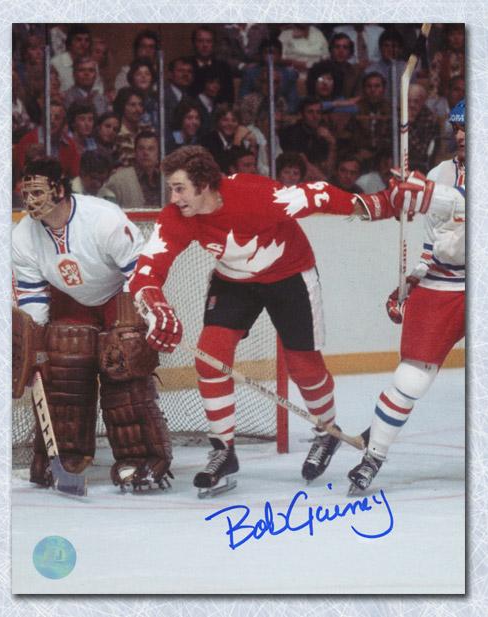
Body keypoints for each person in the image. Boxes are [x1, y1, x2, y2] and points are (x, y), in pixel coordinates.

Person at [127, 145, 427, 496]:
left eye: (179, 188)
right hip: (235, 282)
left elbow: (319, 195)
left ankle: (326, 432)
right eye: (171, 188)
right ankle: (223, 450)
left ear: (204, 183)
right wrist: (154, 303)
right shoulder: (178, 216)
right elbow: (147, 268)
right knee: (210, 357)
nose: (173, 197)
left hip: (290, 276)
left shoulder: (255, 195)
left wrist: (382, 204)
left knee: (304, 367)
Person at [12, 157, 173, 492]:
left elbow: (137, 271)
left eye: (38, 191)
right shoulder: (23, 235)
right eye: (26, 192)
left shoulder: (102, 218)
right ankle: (65, 454)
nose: (30, 200)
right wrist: (35, 345)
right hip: (72, 300)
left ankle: (141, 456)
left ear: (59, 188)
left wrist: (140, 317)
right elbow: (33, 296)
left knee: (123, 361)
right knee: (60, 361)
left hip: (119, 295)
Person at [348, 100, 465, 492]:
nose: (461, 134)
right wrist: (411, 280)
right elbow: (433, 243)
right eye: (457, 126)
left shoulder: (441, 183)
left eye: (469, 126)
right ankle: (373, 455)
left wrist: (436, 196)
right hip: (444, 284)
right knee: (410, 379)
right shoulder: (441, 171)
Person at [104, 130, 160, 208]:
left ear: (158, 153)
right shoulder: (118, 180)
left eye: (151, 149)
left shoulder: (166, 181)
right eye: (141, 148)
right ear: (135, 152)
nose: (145, 153)